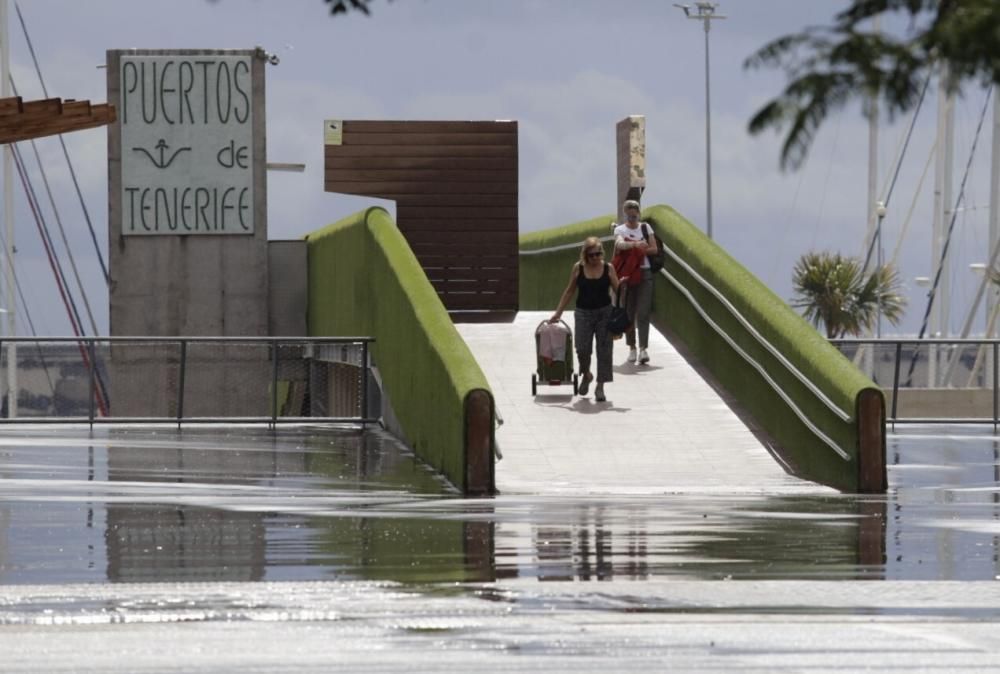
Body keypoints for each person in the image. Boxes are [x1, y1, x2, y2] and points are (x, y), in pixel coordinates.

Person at [549, 236, 621, 402]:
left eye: (598, 254)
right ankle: (587, 374)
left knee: (604, 351)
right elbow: (569, 291)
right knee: (582, 348)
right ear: (585, 255)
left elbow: (619, 291)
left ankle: (600, 386)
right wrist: (558, 313)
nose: (595, 258)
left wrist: (624, 312)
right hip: (583, 313)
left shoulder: (609, 268)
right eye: (591, 255)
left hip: (604, 313)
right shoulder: (578, 268)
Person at [613, 199, 657, 364]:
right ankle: (631, 347)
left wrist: (637, 248)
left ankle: (643, 349)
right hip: (628, 275)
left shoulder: (645, 228)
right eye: (629, 216)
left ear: (638, 213)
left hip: (645, 273)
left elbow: (654, 249)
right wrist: (637, 245)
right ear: (625, 214)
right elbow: (619, 245)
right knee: (629, 312)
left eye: (634, 215)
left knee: (644, 312)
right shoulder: (620, 229)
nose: (632, 219)